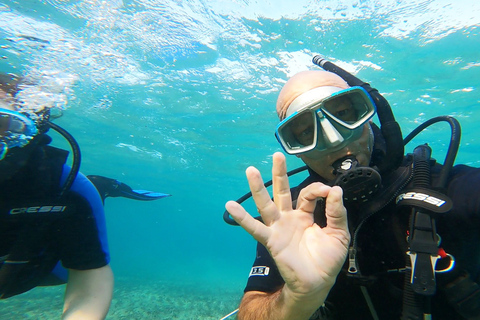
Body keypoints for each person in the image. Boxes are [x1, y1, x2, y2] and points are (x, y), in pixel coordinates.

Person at [226, 58, 480, 319]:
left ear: (370, 116)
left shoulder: (443, 184)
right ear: (298, 153)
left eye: (345, 115)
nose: (334, 139)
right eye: (305, 132)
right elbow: (251, 311)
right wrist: (296, 299)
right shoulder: (290, 217)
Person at [0, 73, 169, 319]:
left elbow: (90, 276)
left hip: (46, 269)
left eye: (5, 126)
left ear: (33, 131)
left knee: (88, 193)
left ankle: (102, 186)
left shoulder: (68, 187)